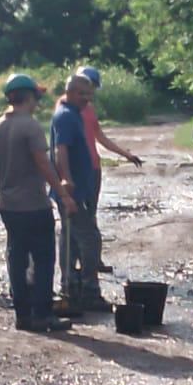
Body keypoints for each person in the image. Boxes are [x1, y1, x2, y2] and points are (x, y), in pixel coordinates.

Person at [0, 74, 77, 332]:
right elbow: (42, 163)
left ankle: (23, 315)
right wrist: (63, 193)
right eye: (36, 96)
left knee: (16, 258)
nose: (38, 101)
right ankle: (43, 314)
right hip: (33, 205)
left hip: (8, 207)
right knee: (44, 259)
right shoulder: (30, 126)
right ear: (28, 97)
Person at [71, 65, 143, 273]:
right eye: (87, 87)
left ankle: (92, 261)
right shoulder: (66, 108)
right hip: (79, 171)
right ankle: (78, 265)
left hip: (93, 168)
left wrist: (125, 154)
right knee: (78, 218)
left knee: (90, 214)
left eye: (92, 88)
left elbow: (100, 137)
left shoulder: (89, 109)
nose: (90, 92)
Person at [50, 73, 109, 312]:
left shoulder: (73, 113)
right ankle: (88, 291)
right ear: (70, 92)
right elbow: (60, 150)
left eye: (89, 94)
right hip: (72, 190)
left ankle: (70, 288)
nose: (87, 99)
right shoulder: (65, 116)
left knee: (71, 238)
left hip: (78, 189)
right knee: (90, 239)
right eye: (83, 94)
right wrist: (66, 180)